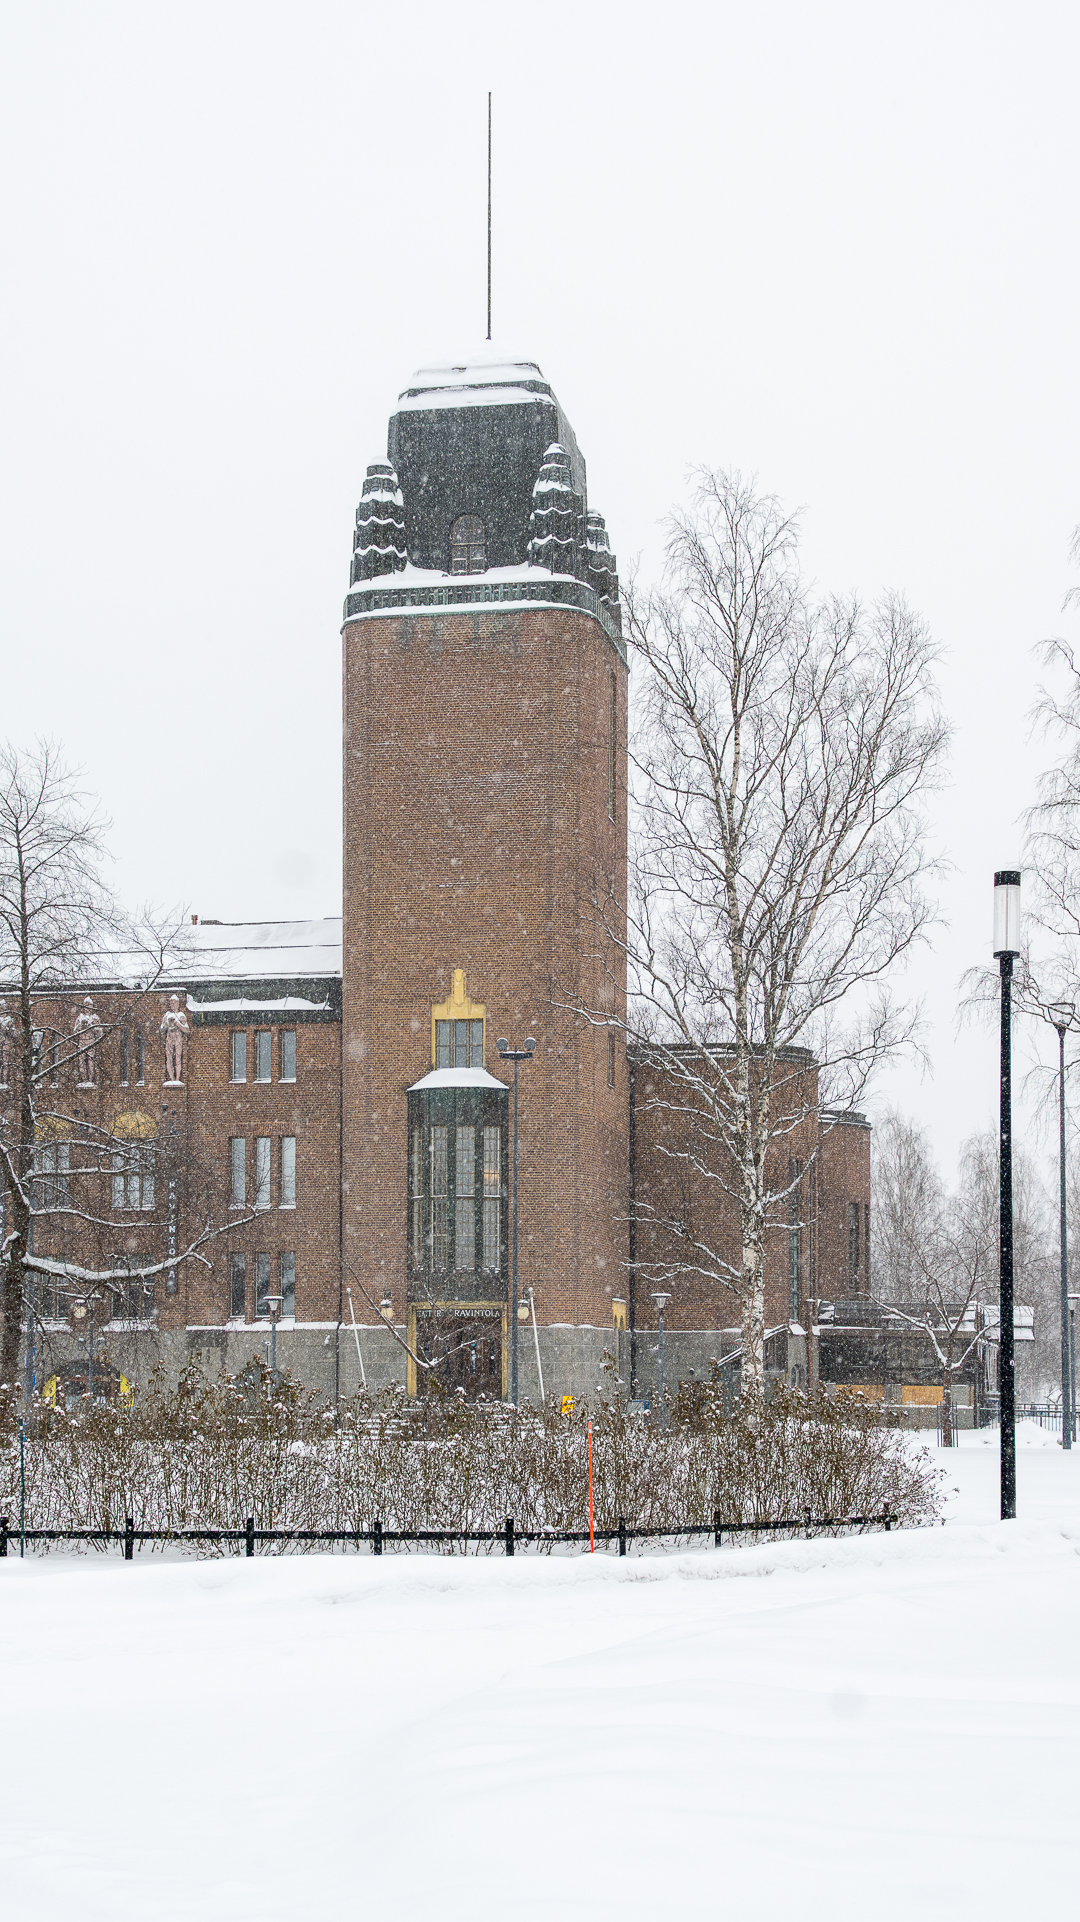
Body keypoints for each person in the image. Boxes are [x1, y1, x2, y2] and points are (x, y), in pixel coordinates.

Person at [160, 994, 190, 1084]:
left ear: (178, 1003)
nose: (172, 1004)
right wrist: (167, 1024)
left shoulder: (181, 1015)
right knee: (169, 1058)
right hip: (169, 1036)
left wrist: (177, 1023)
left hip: (177, 1036)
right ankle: (171, 1079)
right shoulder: (167, 1015)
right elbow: (162, 1029)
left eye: (174, 1002)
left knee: (177, 1058)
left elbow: (187, 1030)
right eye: (171, 1002)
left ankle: (177, 1079)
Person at [74, 996, 102, 1086]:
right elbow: (75, 1032)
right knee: (81, 1062)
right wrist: (81, 1025)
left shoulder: (95, 1018)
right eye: (86, 1006)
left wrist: (92, 1026)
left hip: (91, 1042)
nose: (88, 1008)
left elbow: (100, 1032)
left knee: (90, 1062)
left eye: (89, 1006)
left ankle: (90, 1080)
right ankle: (84, 1080)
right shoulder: (80, 1017)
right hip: (82, 1042)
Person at [0, 1002, 14, 1088]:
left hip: (5, 1042)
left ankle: (5, 1081)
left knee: (5, 1063)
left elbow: (13, 1033)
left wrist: (6, 1028)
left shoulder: (9, 1019)